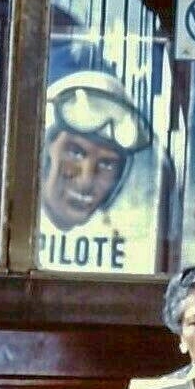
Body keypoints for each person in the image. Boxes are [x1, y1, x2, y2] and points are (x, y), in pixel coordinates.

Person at [38, 69, 153, 268]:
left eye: (107, 164)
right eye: (74, 152)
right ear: (43, 153)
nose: (86, 180)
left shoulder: (134, 254)